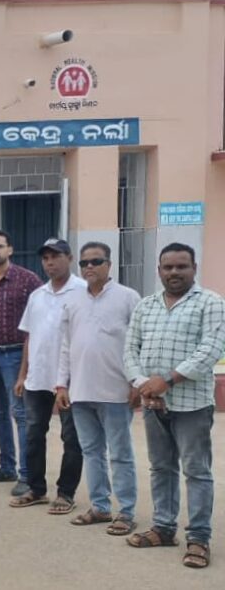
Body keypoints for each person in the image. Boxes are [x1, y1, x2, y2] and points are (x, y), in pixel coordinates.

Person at [124, 243, 225, 569]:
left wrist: (166, 380)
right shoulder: (146, 305)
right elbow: (130, 349)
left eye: (182, 266)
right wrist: (143, 383)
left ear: (194, 268)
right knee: (161, 468)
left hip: (192, 405)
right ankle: (164, 528)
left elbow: (211, 349)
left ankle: (198, 538)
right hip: (153, 403)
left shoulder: (211, 302)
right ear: (159, 270)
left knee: (196, 471)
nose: (174, 272)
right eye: (168, 267)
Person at [55, 242, 140, 535]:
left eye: (96, 261)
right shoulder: (73, 300)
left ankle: (126, 512)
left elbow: (139, 343)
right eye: (84, 263)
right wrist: (61, 384)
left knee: (120, 454)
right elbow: (65, 346)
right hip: (80, 392)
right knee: (91, 452)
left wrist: (137, 382)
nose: (89, 267)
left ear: (109, 264)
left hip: (116, 392)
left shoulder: (128, 297)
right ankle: (100, 507)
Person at [8, 239, 84, 514]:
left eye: (56, 256)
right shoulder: (37, 295)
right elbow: (29, 337)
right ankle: (36, 489)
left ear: (70, 258)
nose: (50, 262)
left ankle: (66, 493)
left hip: (70, 380)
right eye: (46, 258)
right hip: (38, 378)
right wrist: (22, 375)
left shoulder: (83, 291)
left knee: (71, 437)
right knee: (33, 434)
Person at [0, 230, 43, 496]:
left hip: (16, 356)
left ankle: (26, 474)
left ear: (9, 249)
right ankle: (6, 467)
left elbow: (41, 317)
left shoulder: (28, 280)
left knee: (21, 414)